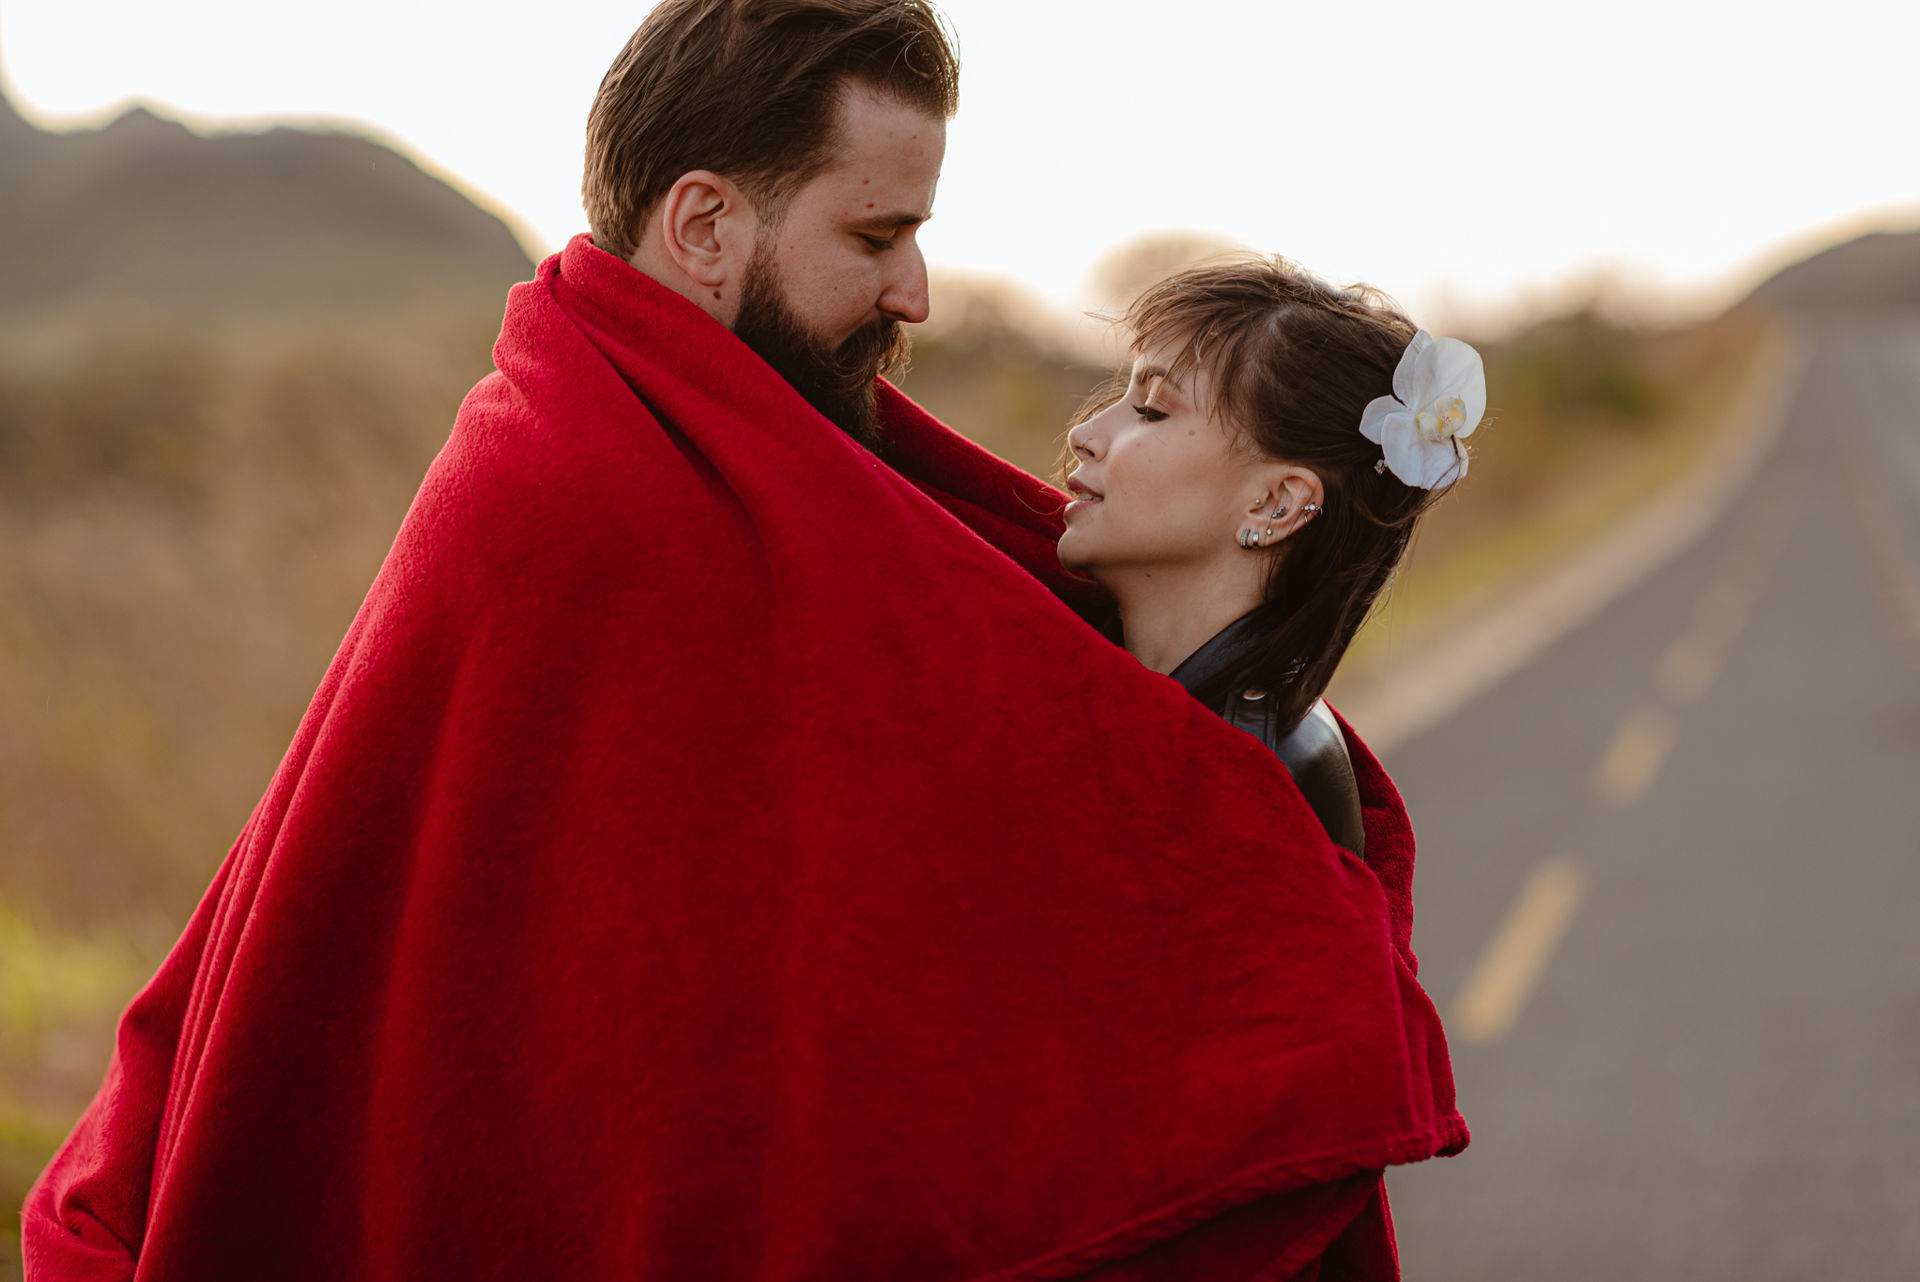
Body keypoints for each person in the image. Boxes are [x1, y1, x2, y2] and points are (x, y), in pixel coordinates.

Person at [24, 4, 1465, 1279]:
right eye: (875, 236)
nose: (912, 294)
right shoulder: (585, 492)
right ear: (707, 224)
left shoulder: (757, 467)